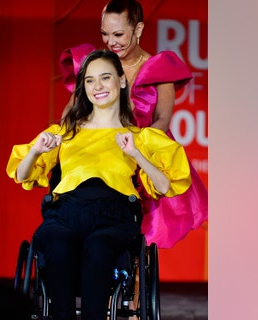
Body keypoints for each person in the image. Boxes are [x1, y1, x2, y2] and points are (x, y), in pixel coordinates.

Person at [6, 50, 191, 320]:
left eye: (105, 78)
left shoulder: (139, 137)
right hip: (65, 213)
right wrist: (35, 151)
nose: (97, 87)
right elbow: (22, 175)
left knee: (99, 248)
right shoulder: (65, 133)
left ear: (121, 81)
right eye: (90, 80)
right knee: (58, 246)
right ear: (83, 86)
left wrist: (136, 155)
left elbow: (163, 186)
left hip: (113, 216)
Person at [58, 0, 208, 248]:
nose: (110, 42)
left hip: (141, 149)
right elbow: (70, 114)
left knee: (140, 223)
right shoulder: (96, 66)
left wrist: (136, 149)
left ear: (138, 30)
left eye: (118, 34)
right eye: (105, 34)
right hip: (99, 152)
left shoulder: (158, 69)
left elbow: (162, 120)